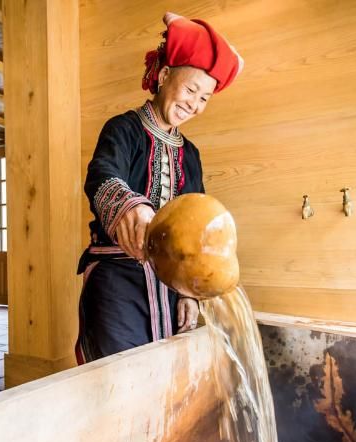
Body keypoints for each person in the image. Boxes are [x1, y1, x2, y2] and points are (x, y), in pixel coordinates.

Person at [75, 12, 244, 365]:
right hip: (117, 281)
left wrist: (189, 293)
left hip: (169, 287)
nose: (194, 104)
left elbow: (197, 223)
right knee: (121, 376)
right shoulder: (123, 129)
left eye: (204, 98)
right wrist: (131, 207)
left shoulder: (191, 154)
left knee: (163, 376)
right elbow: (102, 173)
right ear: (165, 75)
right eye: (191, 90)